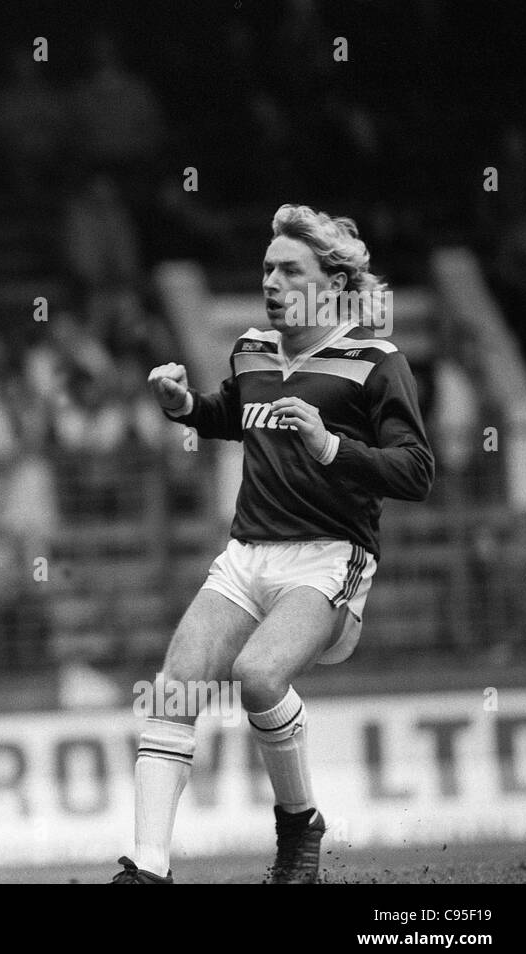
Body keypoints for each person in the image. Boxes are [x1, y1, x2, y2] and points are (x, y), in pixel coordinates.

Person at [112, 204, 434, 884]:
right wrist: (185, 407)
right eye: (267, 268)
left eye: (291, 269)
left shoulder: (377, 362)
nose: (273, 280)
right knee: (175, 687)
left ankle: (300, 824)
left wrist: (329, 445)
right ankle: (147, 867)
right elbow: (234, 414)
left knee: (259, 675)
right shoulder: (253, 349)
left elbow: (417, 471)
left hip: (329, 557)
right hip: (247, 554)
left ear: (332, 281)